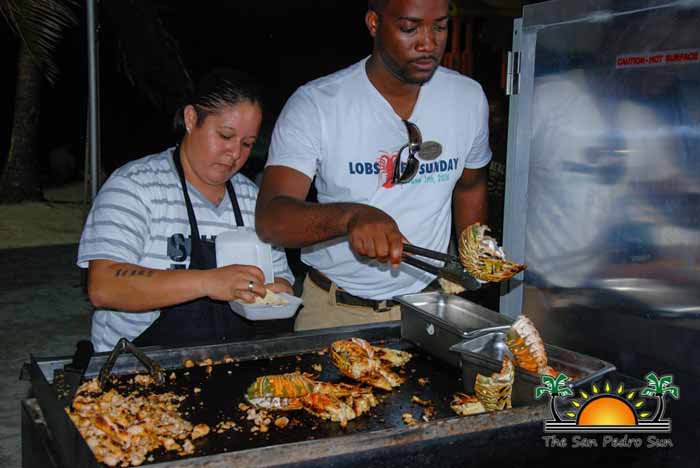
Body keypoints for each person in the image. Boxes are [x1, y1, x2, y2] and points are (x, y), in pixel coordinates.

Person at [255, 0, 491, 331]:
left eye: (439, 27)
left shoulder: (467, 98)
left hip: (431, 308)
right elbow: (271, 218)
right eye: (409, 28)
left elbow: (471, 183)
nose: (428, 43)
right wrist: (351, 217)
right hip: (334, 311)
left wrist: (472, 260)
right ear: (374, 24)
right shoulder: (318, 104)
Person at [77, 68, 294, 352]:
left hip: (230, 359)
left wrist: (276, 291)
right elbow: (104, 287)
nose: (235, 154)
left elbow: (282, 280)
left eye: (247, 144)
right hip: (137, 365)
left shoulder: (252, 198)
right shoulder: (134, 186)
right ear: (192, 119)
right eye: (225, 136)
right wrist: (209, 282)